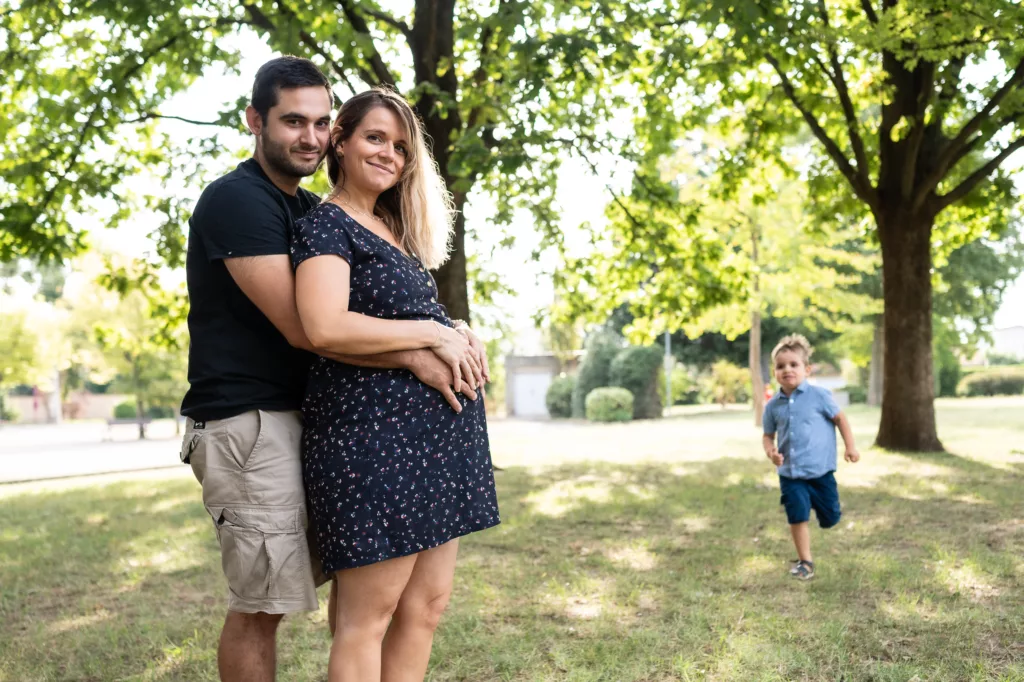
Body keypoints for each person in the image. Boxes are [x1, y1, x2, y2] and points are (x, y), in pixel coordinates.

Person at [179, 56, 481, 682]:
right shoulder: (239, 202)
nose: (309, 137)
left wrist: (448, 332)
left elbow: (359, 314)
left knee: (367, 601)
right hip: (248, 422)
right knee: (264, 605)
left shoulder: (304, 206)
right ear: (254, 121)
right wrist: (425, 348)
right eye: (294, 121)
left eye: (319, 122)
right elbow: (311, 328)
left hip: (306, 417)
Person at [290, 87, 501, 682]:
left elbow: (401, 317)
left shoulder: (391, 228)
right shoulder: (325, 225)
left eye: (401, 147)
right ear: (342, 140)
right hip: (371, 447)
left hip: (436, 444)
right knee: (368, 618)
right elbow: (325, 325)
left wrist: (453, 328)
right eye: (375, 138)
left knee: (426, 608)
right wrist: (431, 338)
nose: (389, 154)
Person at [762, 334, 860, 580]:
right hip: (791, 474)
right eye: (780, 366)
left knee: (830, 518)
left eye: (793, 365)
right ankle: (806, 562)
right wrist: (771, 452)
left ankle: (823, 508)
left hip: (820, 471)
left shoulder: (820, 396)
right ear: (774, 372)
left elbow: (840, 419)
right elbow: (767, 436)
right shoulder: (772, 406)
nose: (787, 370)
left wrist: (850, 447)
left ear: (806, 369)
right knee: (797, 515)